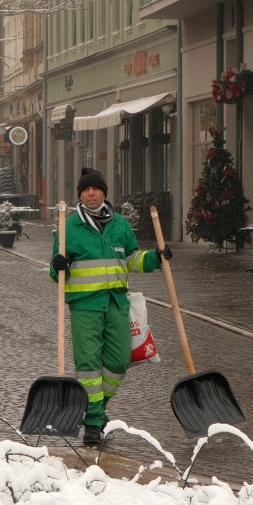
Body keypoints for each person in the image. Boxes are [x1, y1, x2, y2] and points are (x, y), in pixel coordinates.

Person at [49, 167, 169, 446]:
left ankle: (97, 408)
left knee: (119, 360)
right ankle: (92, 423)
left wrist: (157, 257)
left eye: (96, 189)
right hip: (85, 306)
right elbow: (55, 273)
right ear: (80, 194)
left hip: (116, 303)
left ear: (104, 192)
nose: (91, 193)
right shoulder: (69, 227)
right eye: (86, 190)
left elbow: (132, 260)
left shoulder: (120, 225)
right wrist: (57, 266)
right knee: (89, 365)